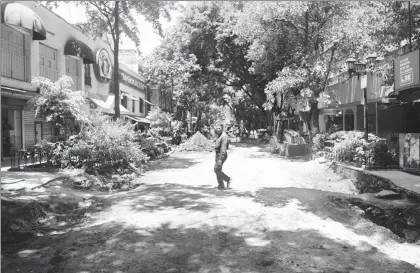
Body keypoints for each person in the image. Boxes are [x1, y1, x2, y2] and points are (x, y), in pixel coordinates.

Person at [214, 122, 232, 190]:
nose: (218, 129)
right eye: (217, 128)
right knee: (218, 169)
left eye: (219, 128)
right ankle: (221, 185)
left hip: (221, 155)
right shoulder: (219, 135)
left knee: (216, 169)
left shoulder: (224, 136)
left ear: (222, 128)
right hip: (217, 154)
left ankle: (228, 179)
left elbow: (223, 148)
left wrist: (220, 159)